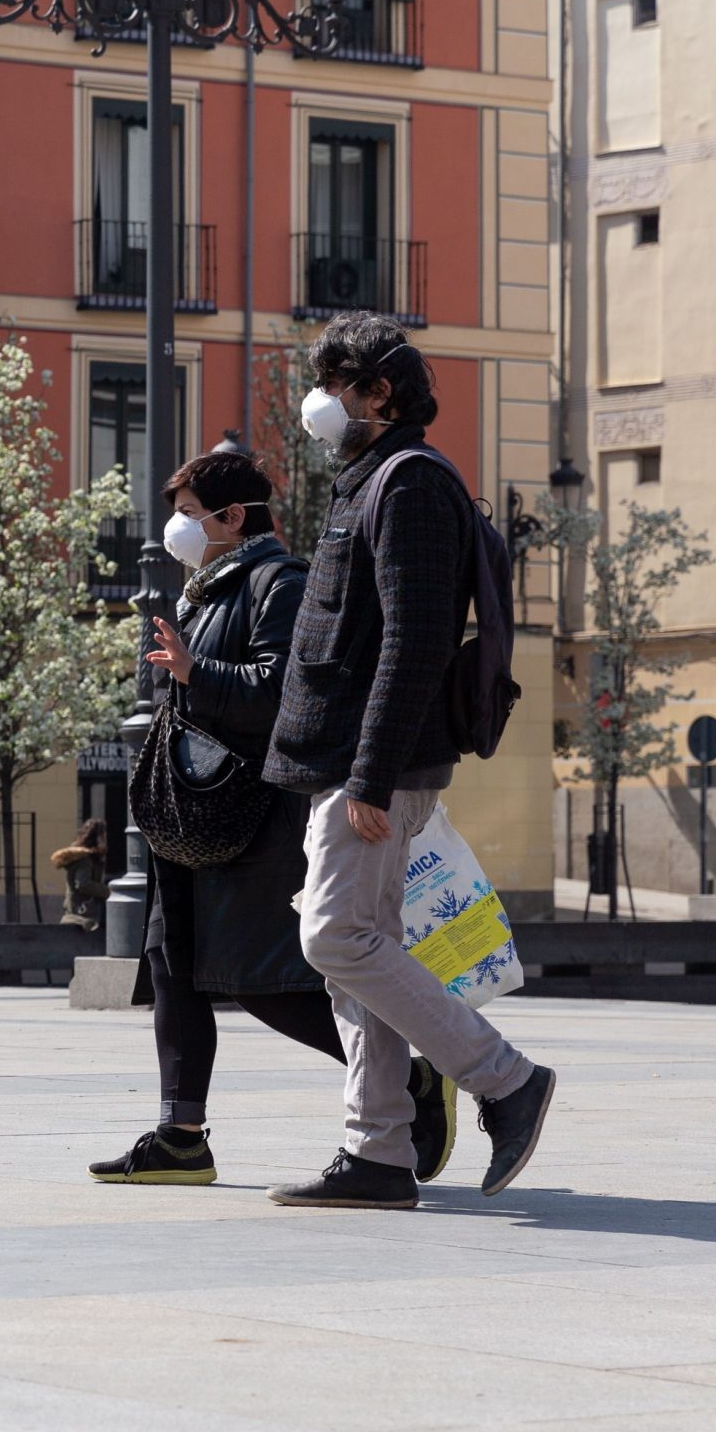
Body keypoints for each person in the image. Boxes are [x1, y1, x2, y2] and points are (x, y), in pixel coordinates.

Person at [90, 451, 452, 1187]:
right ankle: (180, 1132)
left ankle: (408, 1076)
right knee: (172, 966)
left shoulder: (275, 583)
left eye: (191, 512)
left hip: (253, 813)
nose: (180, 526)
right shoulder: (205, 587)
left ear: (233, 517)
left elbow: (285, 690)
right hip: (193, 812)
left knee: (263, 978)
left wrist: (199, 674)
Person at [262, 313, 554, 1209]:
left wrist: (373, 772)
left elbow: (417, 638)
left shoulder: (412, 483)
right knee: (360, 948)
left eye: (336, 384)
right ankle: (380, 1152)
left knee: (335, 935)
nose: (321, 401)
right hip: (346, 761)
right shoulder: (369, 479)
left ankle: (503, 1078)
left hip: (373, 765)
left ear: (379, 394)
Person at [53, 820, 110, 930]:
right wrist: (108, 891)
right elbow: (83, 884)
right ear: (97, 838)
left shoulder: (89, 859)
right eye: (104, 836)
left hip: (80, 915)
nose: (106, 841)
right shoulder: (85, 860)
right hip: (81, 917)